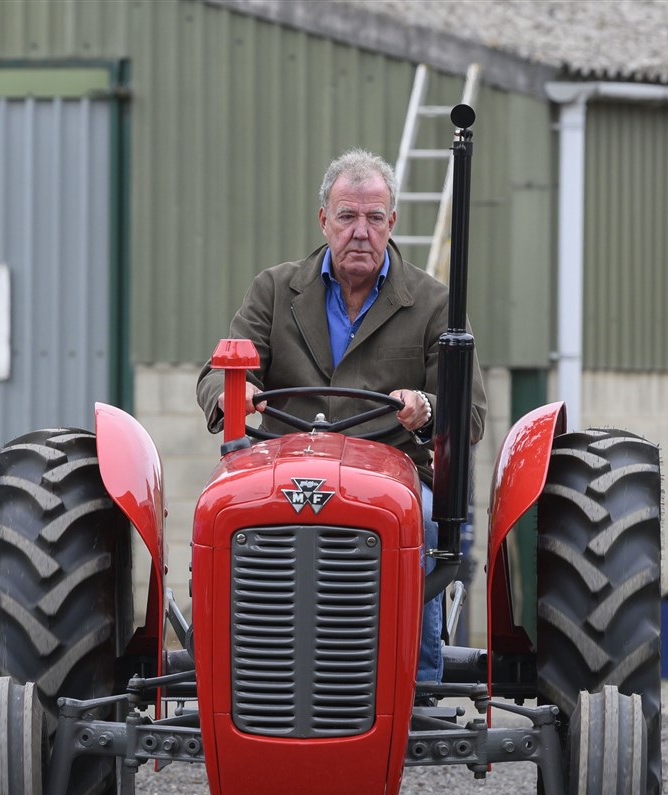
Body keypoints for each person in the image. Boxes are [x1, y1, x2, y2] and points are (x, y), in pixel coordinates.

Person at [196, 148, 487, 685]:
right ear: (323, 220)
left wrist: (426, 412)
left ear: (392, 222)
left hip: (391, 473)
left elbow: (466, 415)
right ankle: (238, 674)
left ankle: (415, 682)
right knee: (222, 514)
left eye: (374, 218)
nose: (361, 231)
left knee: (419, 519)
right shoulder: (275, 290)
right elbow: (217, 371)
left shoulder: (434, 303)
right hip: (282, 466)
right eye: (347, 216)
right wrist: (234, 393)